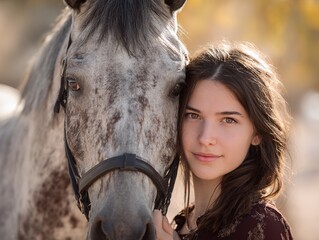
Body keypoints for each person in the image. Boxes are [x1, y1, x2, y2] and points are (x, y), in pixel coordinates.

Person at [153, 41, 293, 240]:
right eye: (193, 115)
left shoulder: (262, 225)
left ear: (257, 133)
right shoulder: (179, 225)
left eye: (228, 120)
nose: (205, 138)